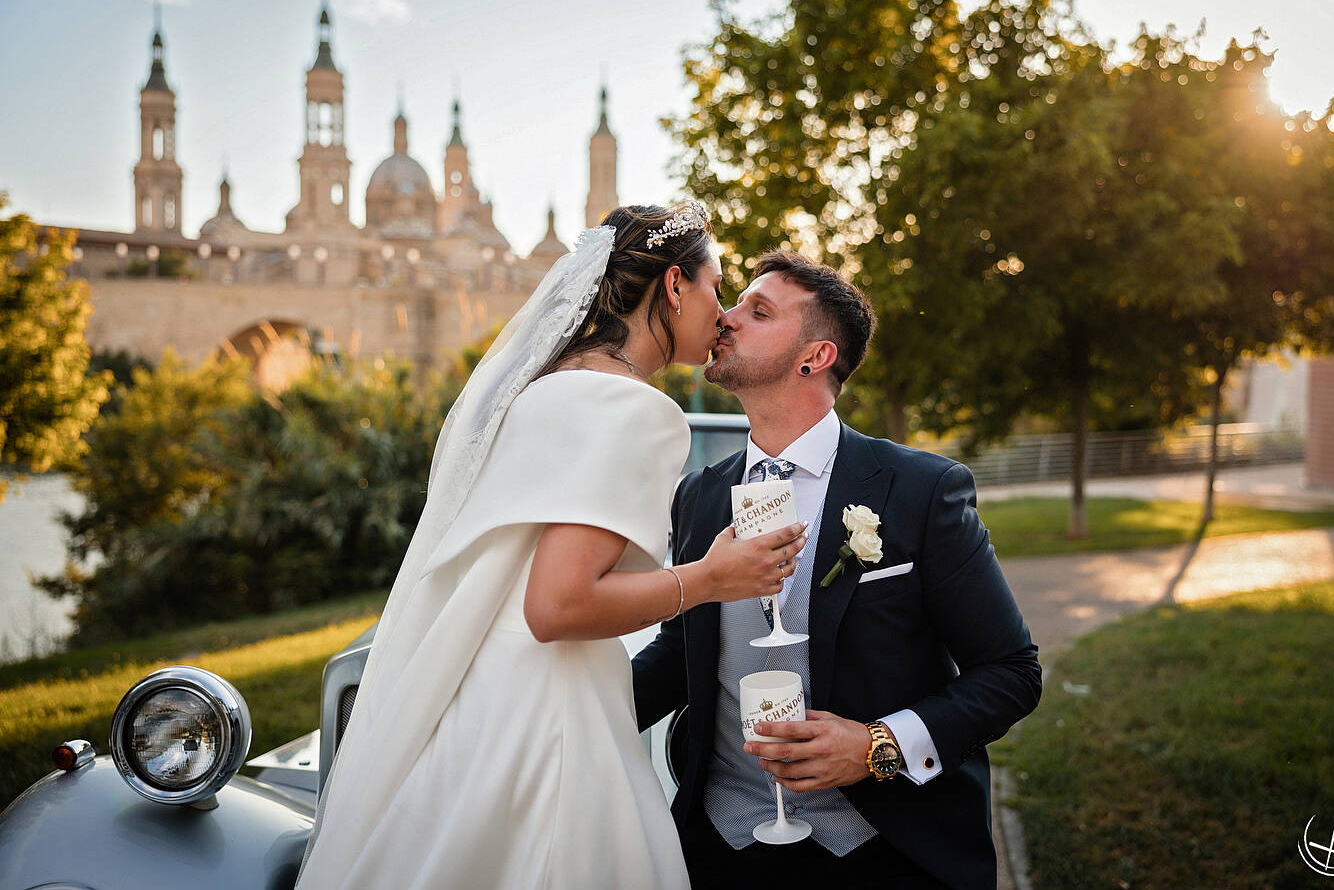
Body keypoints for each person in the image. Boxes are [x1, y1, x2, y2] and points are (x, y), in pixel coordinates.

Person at [296, 203, 809, 890]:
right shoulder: (635, 408)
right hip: (552, 721)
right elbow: (558, 604)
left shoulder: (544, 386)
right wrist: (712, 578)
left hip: (478, 697)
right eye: (717, 287)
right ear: (674, 286)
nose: (722, 313)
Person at [632, 251, 1043, 890]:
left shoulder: (921, 490)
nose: (725, 318)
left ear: (814, 356)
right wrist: (570, 711)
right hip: (718, 845)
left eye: (757, 310)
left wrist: (877, 746)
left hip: (885, 849)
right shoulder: (700, 496)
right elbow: (682, 650)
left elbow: (1011, 674)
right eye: (735, 301)